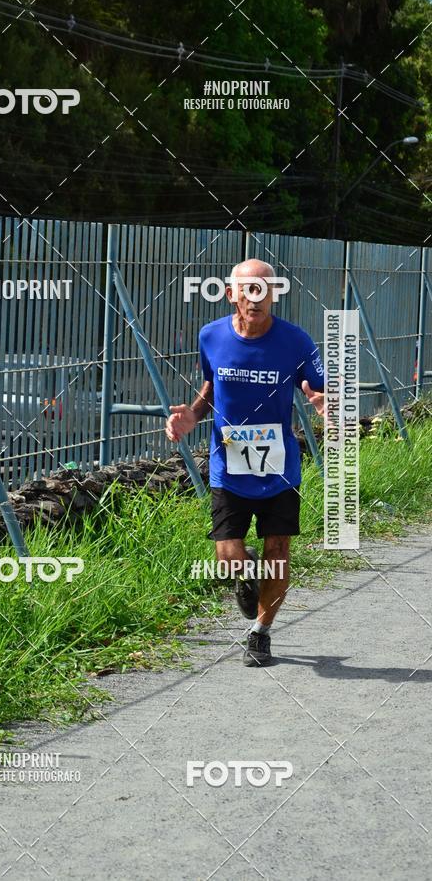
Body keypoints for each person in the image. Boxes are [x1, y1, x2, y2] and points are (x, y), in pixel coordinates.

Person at [165, 259, 325, 667]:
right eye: (247, 288)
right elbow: (211, 386)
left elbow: (323, 389)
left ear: (274, 293)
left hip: (279, 468)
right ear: (231, 293)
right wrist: (192, 416)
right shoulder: (211, 335)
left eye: (264, 288)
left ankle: (260, 633)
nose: (256, 296)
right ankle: (246, 574)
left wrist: (328, 403)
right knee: (228, 554)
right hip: (229, 465)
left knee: (278, 550)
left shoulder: (296, 341)